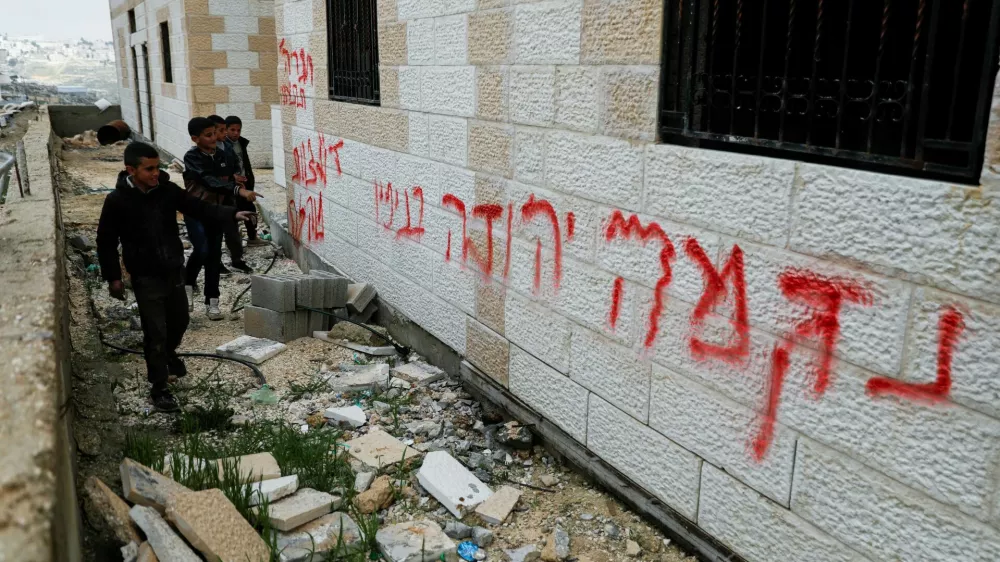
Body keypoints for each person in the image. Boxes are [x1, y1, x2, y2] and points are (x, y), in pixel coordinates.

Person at [96, 142, 254, 412]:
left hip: (173, 270)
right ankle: (160, 388)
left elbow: (198, 207)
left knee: (180, 322)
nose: (156, 173)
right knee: (154, 332)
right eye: (149, 169)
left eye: (157, 167)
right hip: (145, 277)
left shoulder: (167, 191)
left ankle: (170, 353)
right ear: (130, 170)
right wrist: (114, 278)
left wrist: (232, 213)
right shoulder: (117, 201)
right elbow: (105, 242)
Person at [182, 117, 257, 320]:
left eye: (215, 133)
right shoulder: (192, 157)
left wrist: (237, 184)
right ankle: (187, 285)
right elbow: (209, 181)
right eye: (209, 135)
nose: (214, 138)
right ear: (195, 138)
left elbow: (229, 177)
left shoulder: (224, 155)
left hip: (218, 211)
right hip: (196, 211)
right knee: (202, 250)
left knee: (214, 256)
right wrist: (236, 189)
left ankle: (212, 301)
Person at [209, 114, 254, 275]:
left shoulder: (226, 147)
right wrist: (232, 181)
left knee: (232, 230)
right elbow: (209, 178)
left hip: (228, 196)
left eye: (221, 130)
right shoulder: (200, 154)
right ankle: (216, 263)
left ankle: (237, 260)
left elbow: (233, 167)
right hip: (212, 199)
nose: (221, 134)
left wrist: (236, 179)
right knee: (214, 234)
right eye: (218, 131)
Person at [225, 115, 268, 246]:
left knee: (250, 209)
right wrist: (232, 177)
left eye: (238, 130)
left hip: (245, 183)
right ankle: (233, 243)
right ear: (225, 130)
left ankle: (252, 237)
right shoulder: (223, 146)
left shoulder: (241, 143)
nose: (236, 133)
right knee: (232, 213)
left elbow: (245, 163)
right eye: (232, 130)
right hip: (231, 186)